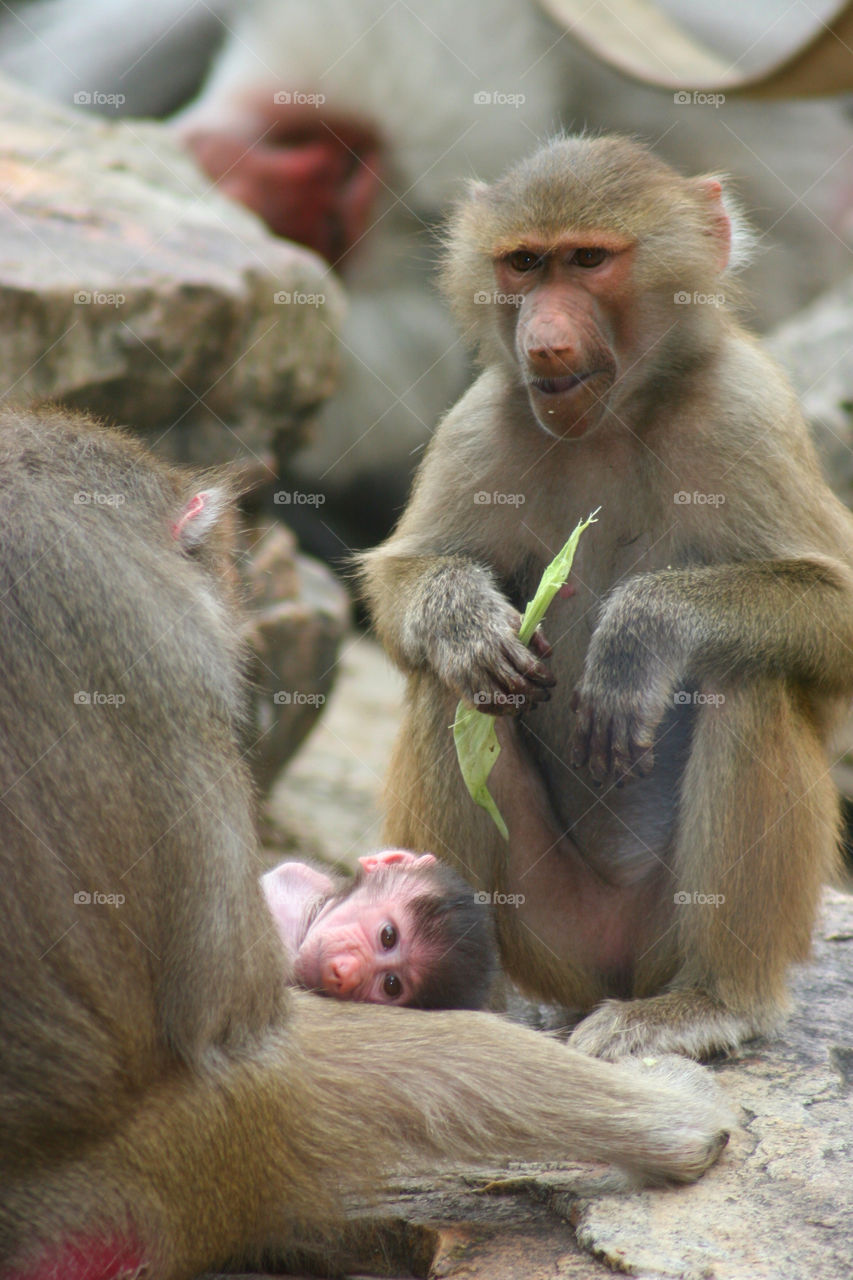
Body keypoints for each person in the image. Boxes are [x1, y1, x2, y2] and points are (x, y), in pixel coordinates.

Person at [261, 849, 497, 1009]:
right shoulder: (291, 887)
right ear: (388, 864)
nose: (349, 973)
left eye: (391, 985)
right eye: (387, 936)